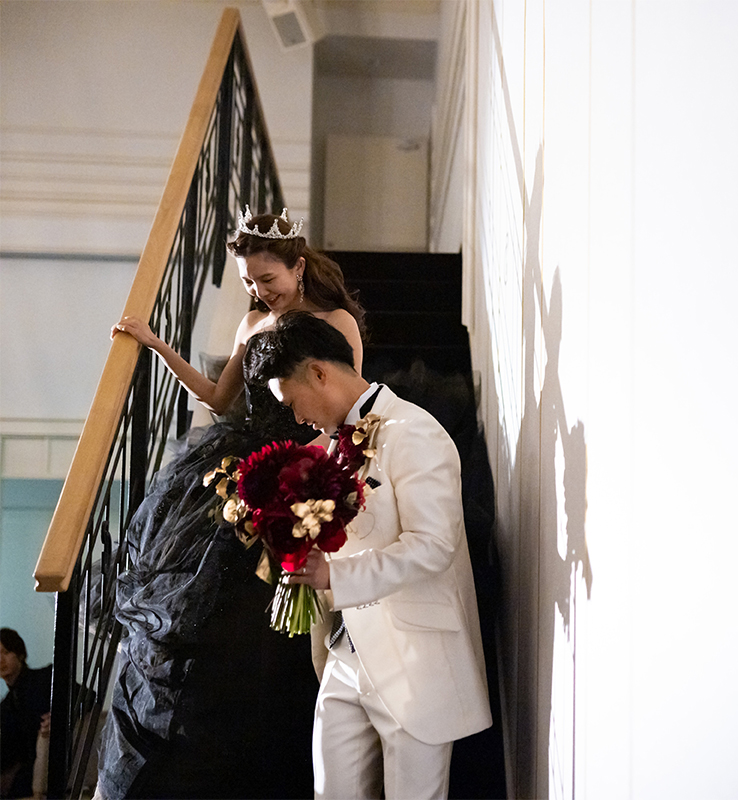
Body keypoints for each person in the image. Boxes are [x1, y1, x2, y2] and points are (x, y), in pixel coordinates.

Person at [97, 209, 365, 800]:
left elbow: (344, 409)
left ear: (298, 266)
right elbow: (221, 400)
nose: (259, 291)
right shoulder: (252, 322)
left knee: (272, 623)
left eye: (267, 279)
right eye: (248, 281)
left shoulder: (335, 321)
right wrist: (158, 346)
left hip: (302, 464)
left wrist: (312, 479)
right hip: (239, 466)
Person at [248, 311, 491, 800]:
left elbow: (433, 546)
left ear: (319, 372)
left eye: (292, 402)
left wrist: (333, 576)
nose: (296, 419)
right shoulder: (330, 449)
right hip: (345, 653)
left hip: (415, 659)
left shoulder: (414, 431)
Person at [0, 629, 51, 799]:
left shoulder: (45, 678)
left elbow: (88, 698)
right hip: (23, 779)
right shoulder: (6, 706)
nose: (0, 660)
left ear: (20, 655)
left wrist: (60, 716)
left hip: (53, 769)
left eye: (5, 652)